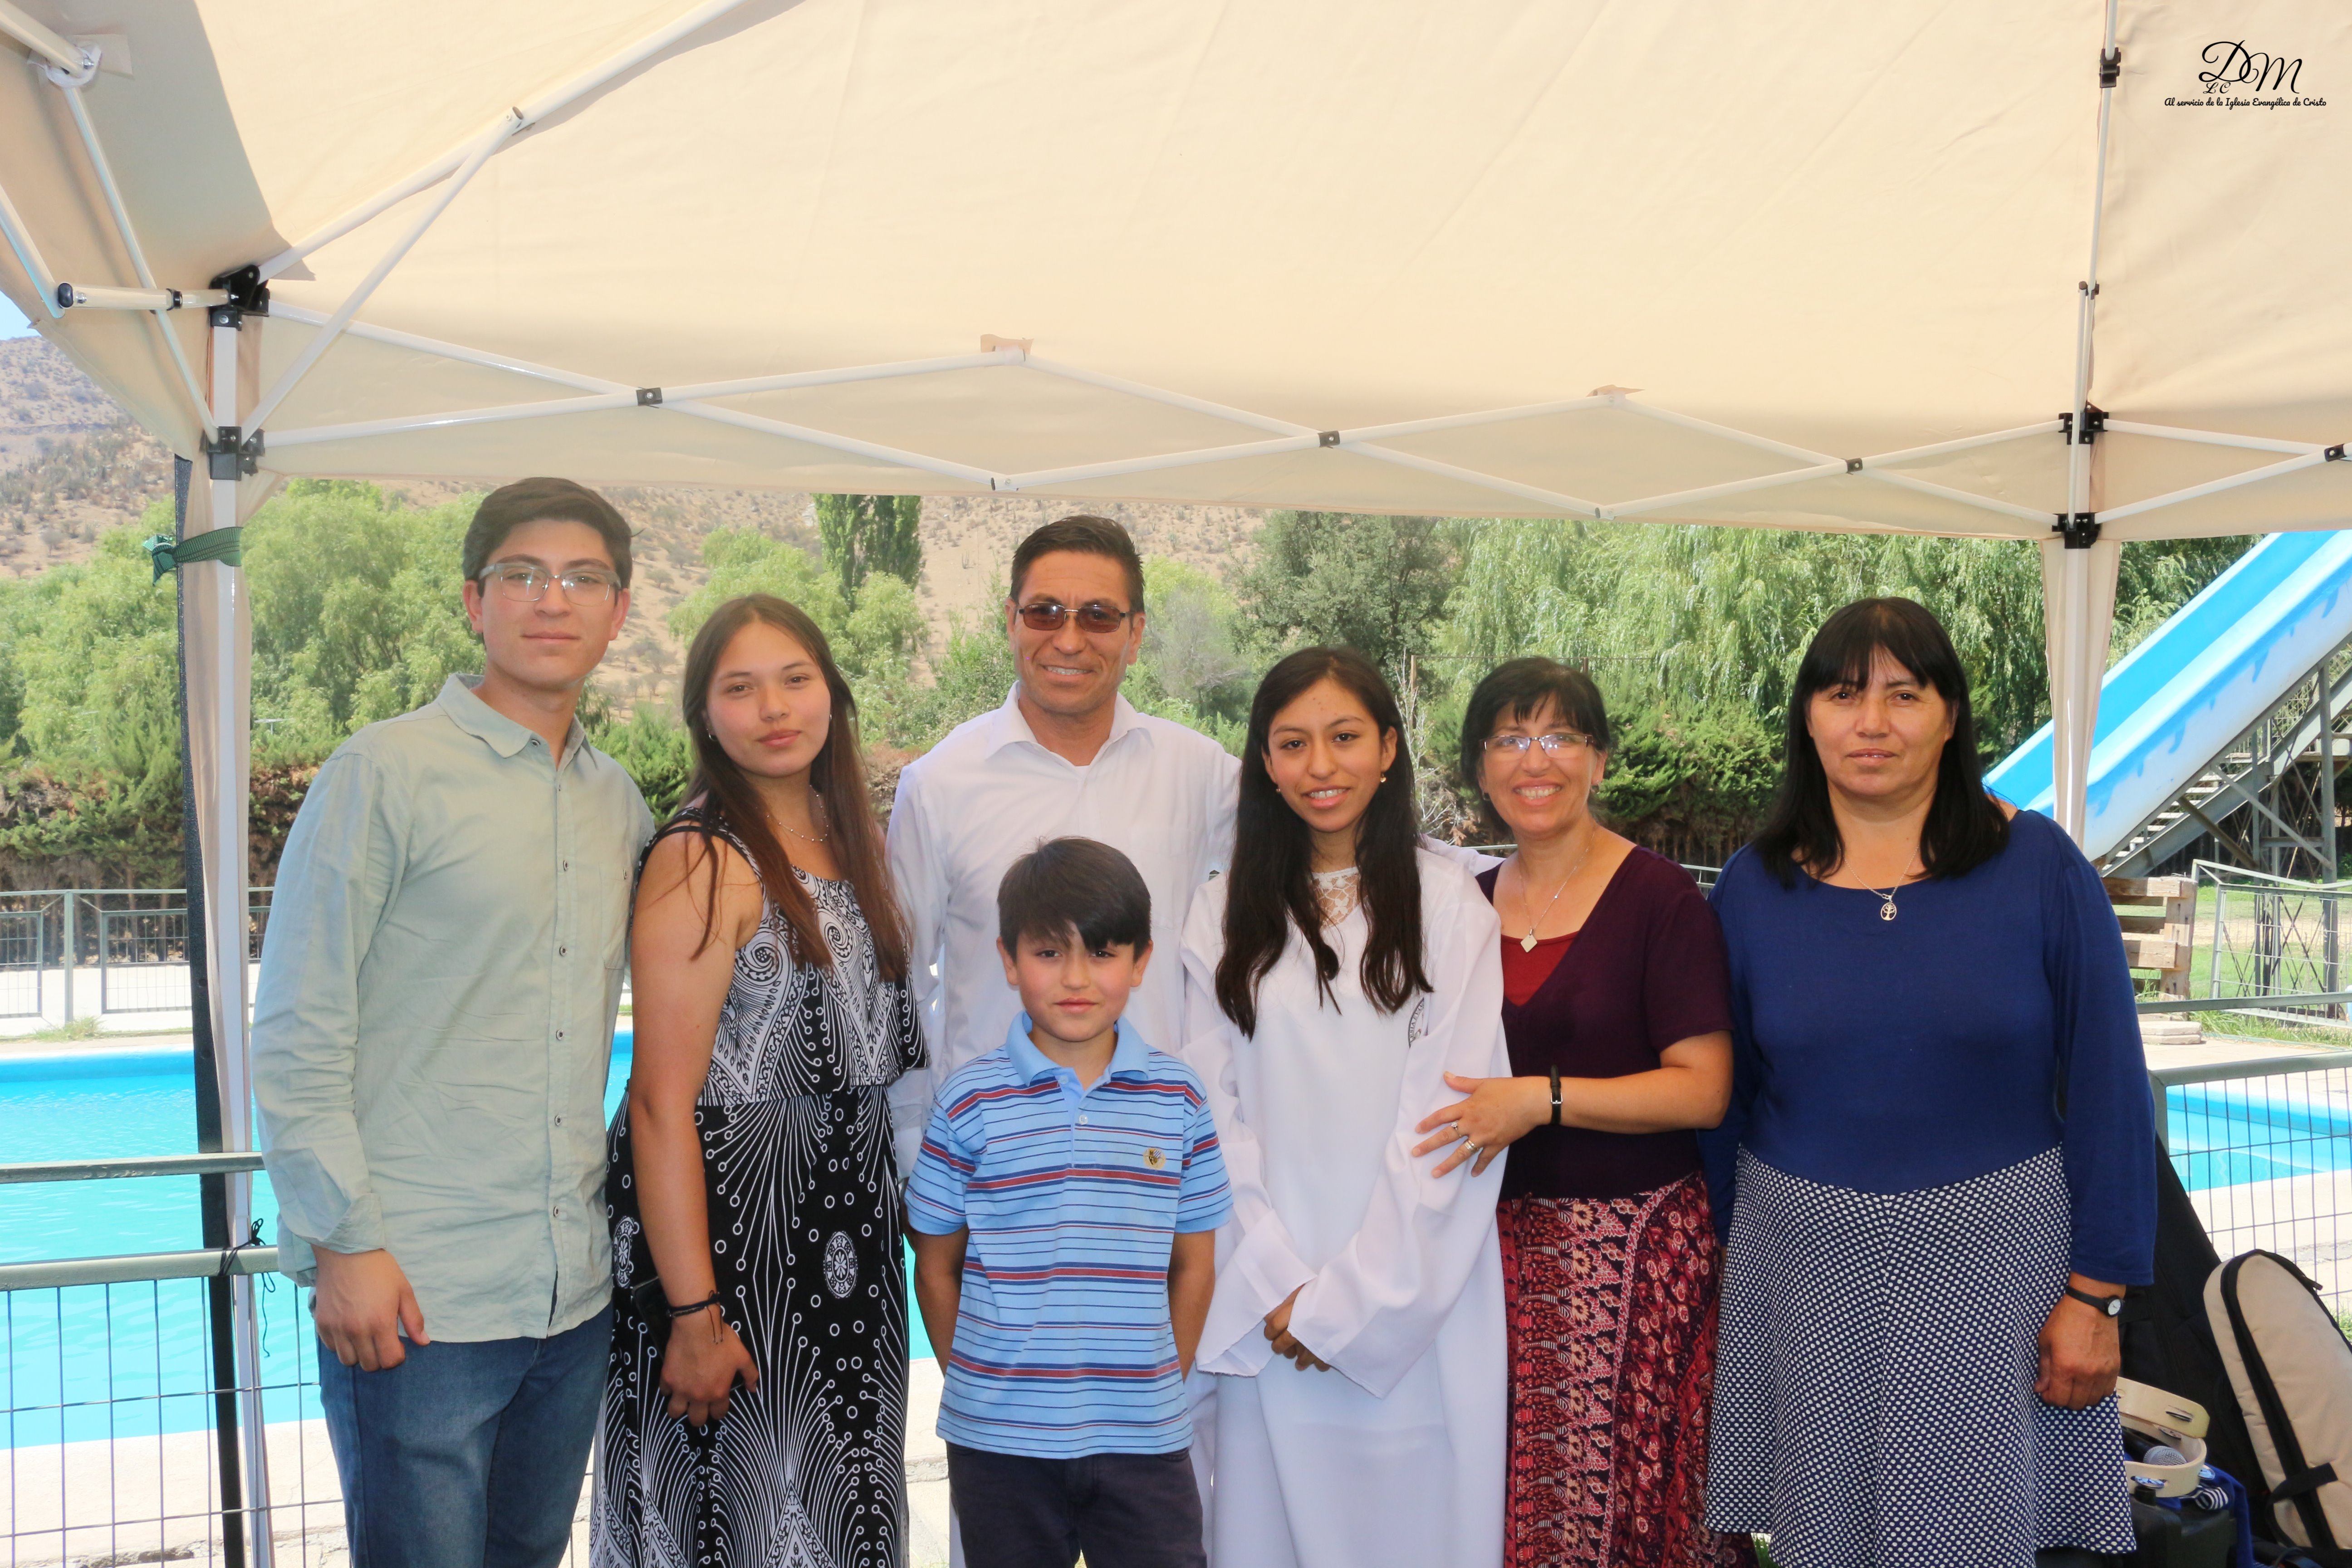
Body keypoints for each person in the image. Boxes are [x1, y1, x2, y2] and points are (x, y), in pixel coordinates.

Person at [1700, 598, 2155, 1568]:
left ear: (1951, 717)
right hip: (1802, 1271)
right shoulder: (1751, 887)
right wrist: (1727, 1254)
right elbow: (1722, 1099)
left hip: (2001, 1275)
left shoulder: (2041, 866)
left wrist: (2099, 1295)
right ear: (1808, 718)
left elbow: (2113, 1089)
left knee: (1976, 1536)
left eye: (1904, 695)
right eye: (1843, 695)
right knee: (1821, 1541)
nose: (1872, 723)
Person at [253, 478, 654, 1568]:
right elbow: (298, 1026)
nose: (552, 600)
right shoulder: (383, 772)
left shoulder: (618, 803)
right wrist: (345, 1241)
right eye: (523, 575)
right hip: (416, 1295)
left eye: (584, 579)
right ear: (476, 601)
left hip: (571, 1298)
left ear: (619, 611)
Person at [885, 514, 1239, 1539]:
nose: (1069, 636)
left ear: (1136, 630)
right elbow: (900, 984)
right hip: (996, 1203)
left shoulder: (1202, 775)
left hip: (1150, 1207)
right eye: (1045, 611)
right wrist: (922, 1162)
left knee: (1162, 1523)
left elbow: (1301, 882)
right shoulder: (940, 784)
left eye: (1097, 614)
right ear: (1010, 620)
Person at [594, 594, 923, 1568]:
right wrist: (692, 1314)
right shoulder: (702, 859)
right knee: (729, 1524)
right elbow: (660, 1104)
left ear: (833, 695)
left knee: (843, 1516)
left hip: (848, 1244)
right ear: (705, 715)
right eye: (740, 688)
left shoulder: (856, 841)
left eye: (795, 680)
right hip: (733, 1250)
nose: (774, 708)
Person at [1411, 658, 1754, 1568]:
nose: (1537, 760)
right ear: (1481, 769)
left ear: (1599, 761)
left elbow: (1703, 1088)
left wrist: (1543, 1099)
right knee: (1500, 1506)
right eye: (1511, 740)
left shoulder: (1660, 899)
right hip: (1484, 1256)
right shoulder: (1462, 906)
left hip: (1633, 1254)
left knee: (1624, 1513)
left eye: (1561, 737)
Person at [1180, 646, 1510, 1568]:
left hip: (1419, 1300)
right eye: (1292, 744)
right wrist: (1278, 1283)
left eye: (1344, 738)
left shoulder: (1450, 906)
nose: (1320, 766)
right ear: (1264, 762)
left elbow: (1451, 1123)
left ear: (1389, 749)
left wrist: (1354, 1306)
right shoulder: (1218, 916)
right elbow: (1208, 1115)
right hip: (1269, 1300)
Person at [906, 837, 1230, 1568]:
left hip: (1143, 1439)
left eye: (1103, 953)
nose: (1077, 978)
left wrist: (1157, 1382)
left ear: (1141, 962)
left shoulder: (1178, 1098)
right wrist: (980, 1384)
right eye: (1049, 953)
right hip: (1001, 1446)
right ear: (1008, 959)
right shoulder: (968, 1100)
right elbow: (935, 1265)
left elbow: (1195, 1266)